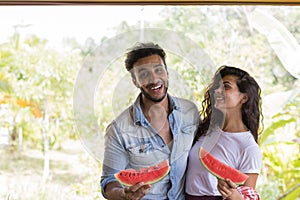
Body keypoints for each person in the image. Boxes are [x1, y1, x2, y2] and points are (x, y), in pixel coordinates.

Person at [100, 42, 199, 200]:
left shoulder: (190, 112)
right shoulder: (118, 129)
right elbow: (109, 181)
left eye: (158, 70)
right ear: (135, 81)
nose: (154, 79)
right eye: (144, 74)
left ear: (167, 72)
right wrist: (123, 194)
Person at [185, 66, 263, 200]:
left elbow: (249, 196)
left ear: (244, 98)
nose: (217, 91)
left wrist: (234, 196)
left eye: (226, 87)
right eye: (216, 87)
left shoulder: (248, 147)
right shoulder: (205, 129)